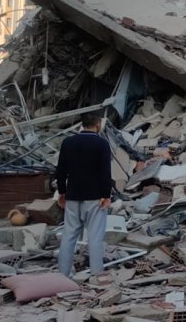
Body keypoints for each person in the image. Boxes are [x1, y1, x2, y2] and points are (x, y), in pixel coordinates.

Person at [56, 112, 112, 277]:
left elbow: (60, 171)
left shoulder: (68, 142)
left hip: (73, 195)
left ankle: (63, 274)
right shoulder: (102, 144)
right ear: (98, 124)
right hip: (95, 197)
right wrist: (106, 194)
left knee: (68, 236)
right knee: (94, 237)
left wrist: (62, 192)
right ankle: (96, 275)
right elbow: (105, 172)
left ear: (82, 124)